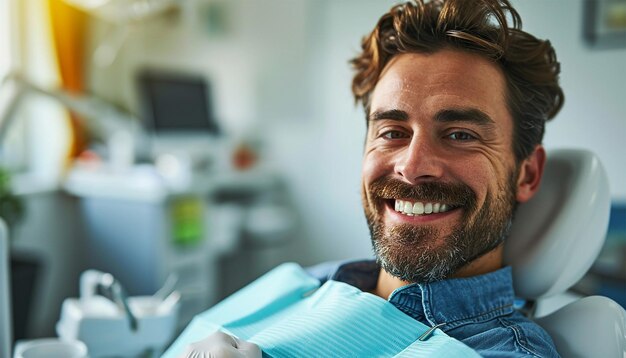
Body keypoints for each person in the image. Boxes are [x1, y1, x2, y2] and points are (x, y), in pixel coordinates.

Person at [180, 0, 563, 356]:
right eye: (392, 132)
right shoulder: (307, 282)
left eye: (460, 134)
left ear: (527, 174)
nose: (412, 167)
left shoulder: (502, 350)